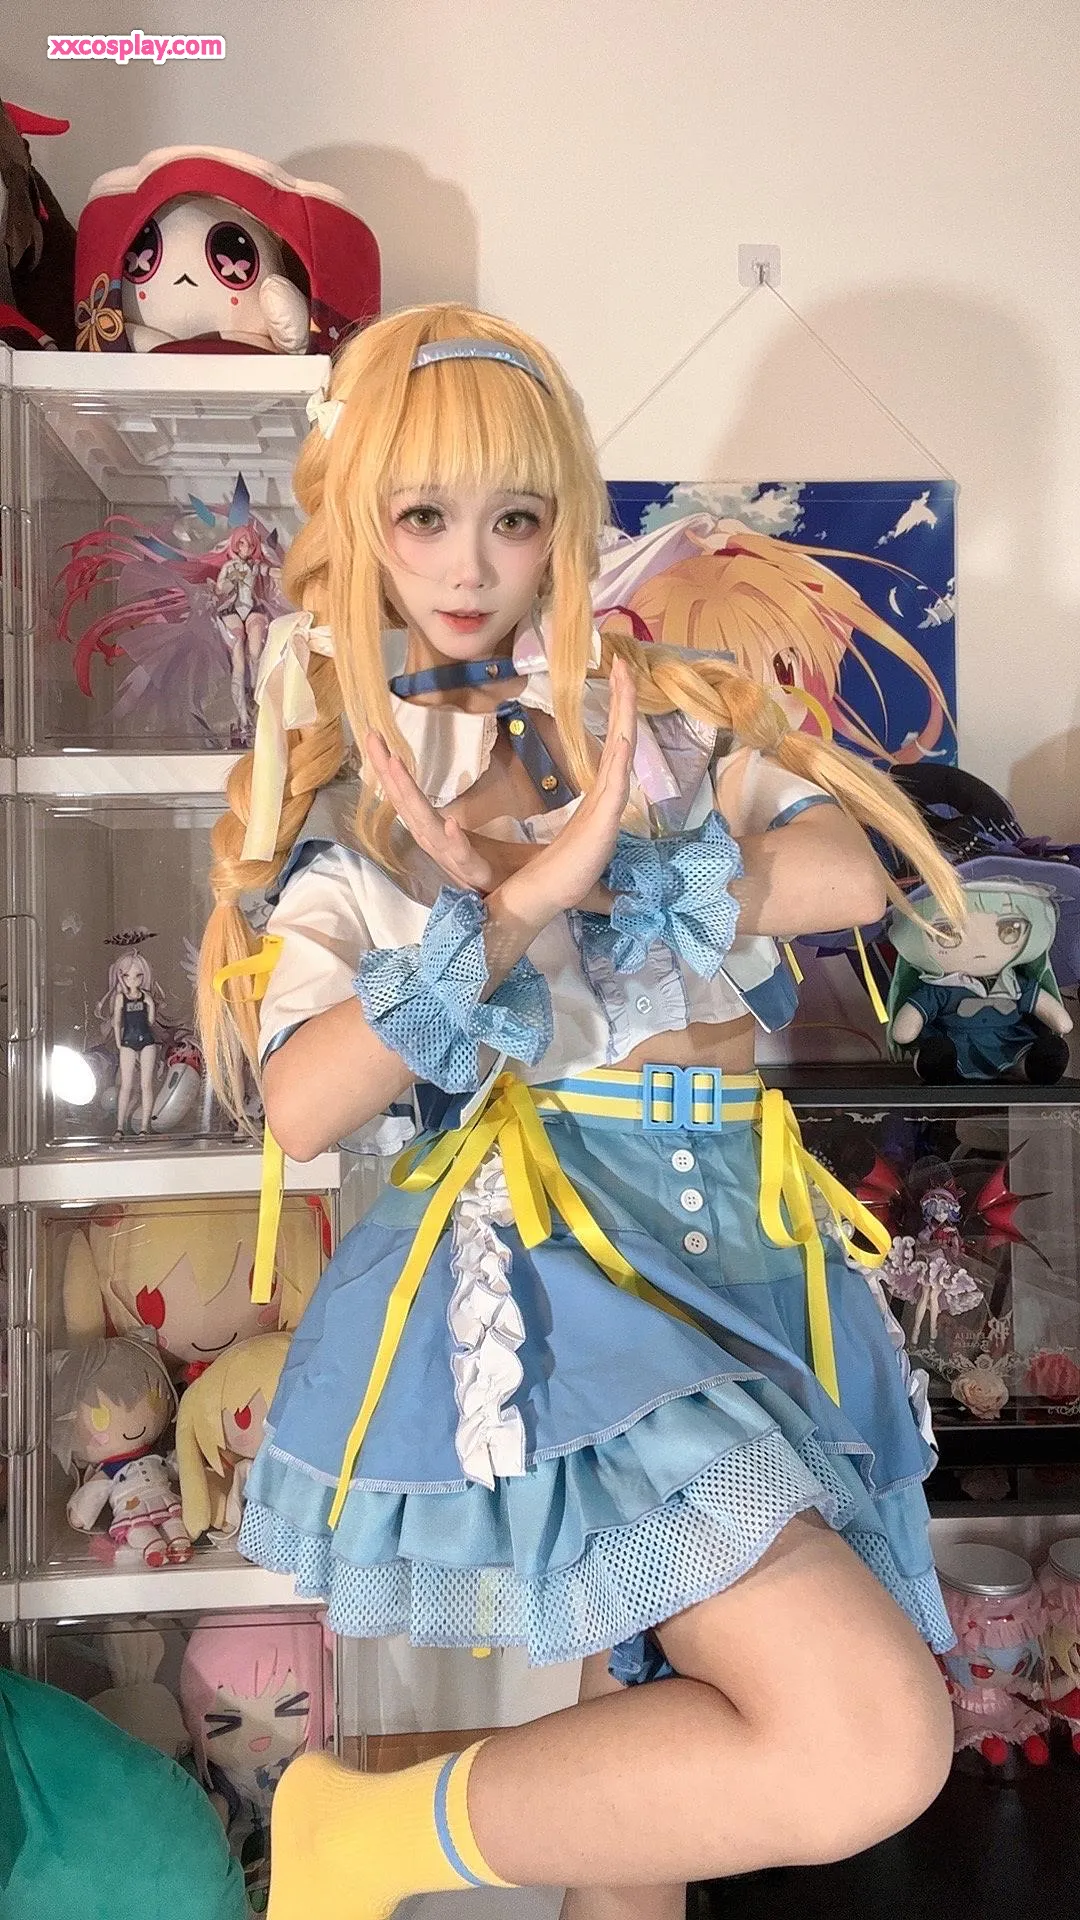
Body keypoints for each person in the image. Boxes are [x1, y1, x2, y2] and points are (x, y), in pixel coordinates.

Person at [197, 303, 964, 1920]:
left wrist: (617, 855)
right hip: (575, 1280)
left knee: (654, 1761)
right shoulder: (366, 793)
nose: (471, 564)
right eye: (423, 516)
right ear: (362, 526)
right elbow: (301, 1103)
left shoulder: (658, 712)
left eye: (517, 516)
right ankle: (361, 1834)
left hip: (744, 1254)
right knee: (869, 1739)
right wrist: (503, 909)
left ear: (568, 520)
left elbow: (847, 873)